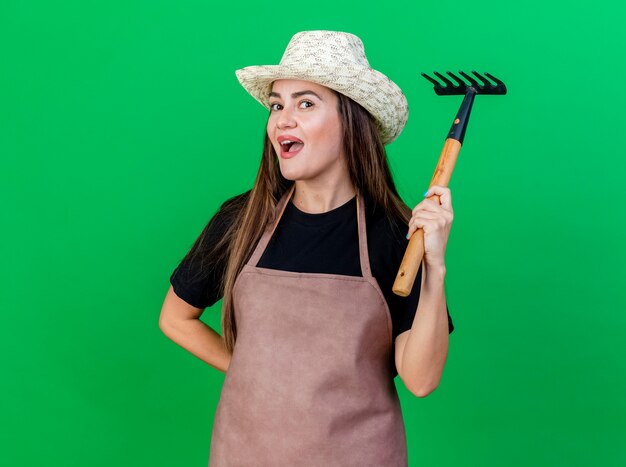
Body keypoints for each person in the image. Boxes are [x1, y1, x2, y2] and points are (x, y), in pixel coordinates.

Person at [159, 30, 455, 467]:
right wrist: (262, 378)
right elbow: (175, 318)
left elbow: (421, 379)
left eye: (306, 103)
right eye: (278, 105)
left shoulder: (394, 232)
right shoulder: (242, 219)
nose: (282, 119)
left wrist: (434, 269)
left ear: (352, 122)